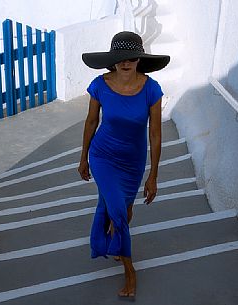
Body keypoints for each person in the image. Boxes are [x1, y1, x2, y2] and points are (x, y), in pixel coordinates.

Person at [78, 31, 170, 298]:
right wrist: (84, 156)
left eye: (131, 57)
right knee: (117, 210)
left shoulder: (152, 89)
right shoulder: (99, 85)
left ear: (139, 59)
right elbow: (91, 122)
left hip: (133, 161)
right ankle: (130, 271)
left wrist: (153, 175)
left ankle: (116, 239)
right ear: (113, 60)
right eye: (120, 58)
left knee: (124, 208)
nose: (126, 62)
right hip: (103, 155)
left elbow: (155, 133)